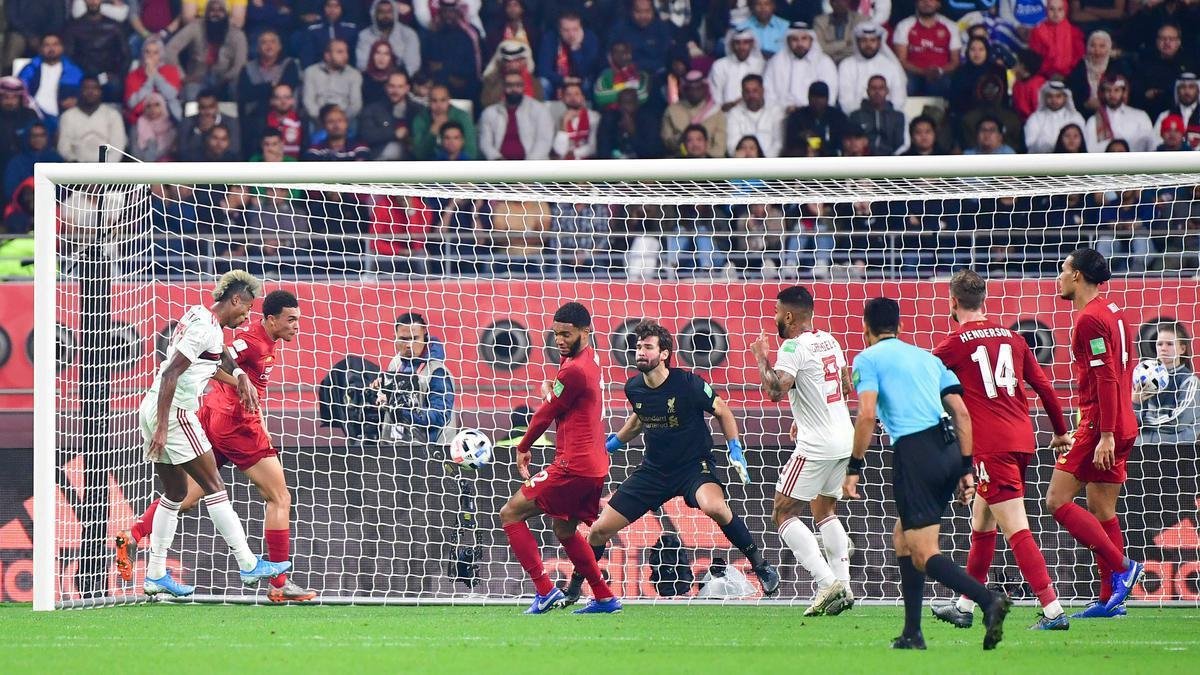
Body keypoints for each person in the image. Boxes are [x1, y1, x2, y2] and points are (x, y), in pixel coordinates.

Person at [118, 290, 316, 602]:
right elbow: (213, 359)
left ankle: (133, 535)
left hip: (212, 417)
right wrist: (238, 382)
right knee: (278, 496)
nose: (296, 326)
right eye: (291, 320)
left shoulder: (247, 336)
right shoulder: (252, 340)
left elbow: (218, 357)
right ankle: (276, 583)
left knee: (185, 494)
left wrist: (240, 382)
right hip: (235, 425)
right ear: (272, 319)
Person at [563, 321, 780, 604]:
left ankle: (760, 565)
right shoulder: (634, 388)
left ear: (664, 353)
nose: (640, 351)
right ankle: (575, 587)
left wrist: (734, 448)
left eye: (648, 347)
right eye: (638, 346)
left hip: (693, 467)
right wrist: (611, 446)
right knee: (600, 530)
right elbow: (639, 419)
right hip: (654, 472)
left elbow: (723, 411)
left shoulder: (688, 383)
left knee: (714, 506)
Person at [847, 296, 1011, 650]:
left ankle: (987, 601)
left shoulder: (866, 359)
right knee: (903, 538)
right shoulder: (928, 358)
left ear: (865, 329)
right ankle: (912, 633)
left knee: (923, 552)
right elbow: (962, 413)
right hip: (950, 448)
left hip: (915, 452)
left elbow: (865, 415)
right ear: (900, 328)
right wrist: (965, 468)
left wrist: (854, 466)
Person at [928, 270, 1072, 631]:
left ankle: (1053, 610)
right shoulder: (1014, 338)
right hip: (1022, 440)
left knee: (1015, 527)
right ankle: (964, 606)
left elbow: (922, 380)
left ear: (953, 302)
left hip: (992, 447)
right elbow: (1045, 387)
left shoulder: (954, 343)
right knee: (982, 521)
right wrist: (1059, 431)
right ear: (984, 301)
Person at [499, 302, 620, 614]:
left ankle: (544, 590)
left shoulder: (573, 369)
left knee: (510, 513)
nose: (560, 340)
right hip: (594, 465)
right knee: (564, 530)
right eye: (555, 335)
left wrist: (523, 446)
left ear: (585, 331)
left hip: (573, 465)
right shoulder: (589, 360)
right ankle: (604, 596)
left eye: (566, 334)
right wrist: (552, 393)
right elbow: (565, 402)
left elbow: (545, 415)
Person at [1045, 248, 1145, 619]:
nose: (1058, 276)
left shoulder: (1088, 320)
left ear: (1077, 276)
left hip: (1100, 425)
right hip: (1122, 421)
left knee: (1056, 500)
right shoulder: (1114, 312)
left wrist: (1103, 434)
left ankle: (1122, 566)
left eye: (1062, 268)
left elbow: (1105, 376)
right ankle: (1109, 601)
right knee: (1102, 509)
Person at [749, 287, 853, 615]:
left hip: (818, 444)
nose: (776, 318)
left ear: (790, 316)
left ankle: (826, 584)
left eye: (778, 312)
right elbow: (846, 386)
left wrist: (761, 358)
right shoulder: (830, 340)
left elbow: (775, 391)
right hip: (844, 438)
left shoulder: (792, 346)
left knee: (782, 511)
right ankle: (845, 587)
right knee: (824, 510)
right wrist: (803, 416)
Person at [165, 0, 248, 101]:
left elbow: (240, 65)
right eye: (212, 10)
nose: (216, 13)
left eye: (220, 10)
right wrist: (182, 76)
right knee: (190, 92)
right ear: (205, 14)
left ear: (227, 14)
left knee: (238, 88)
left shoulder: (236, 34)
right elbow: (170, 49)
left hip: (225, 79)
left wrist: (226, 78)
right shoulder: (195, 27)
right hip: (197, 78)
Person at [1135, 322, 1199, 445]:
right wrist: (1135, 403)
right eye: (1159, 344)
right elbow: (1131, 422)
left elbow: (1178, 422)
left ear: (1182, 349)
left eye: (1169, 344)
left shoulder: (1190, 381)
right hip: (1143, 447)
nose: (1163, 348)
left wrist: (1144, 423)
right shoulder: (1144, 376)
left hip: (1177, 450)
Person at [764, 21, 838, 111]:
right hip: (780, 114)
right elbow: (768, 93)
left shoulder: (824, 63)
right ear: (788, 41)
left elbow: (830, 96)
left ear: (811, 40)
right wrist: (783, 109)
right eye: (794, 39)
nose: (799, 44)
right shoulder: (775, 62)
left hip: (813, 115)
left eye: (804, 39)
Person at [478, 72, 553, 160]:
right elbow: (485, 143)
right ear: (503, 87)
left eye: (518, 85)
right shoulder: (490, 112)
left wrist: (527, 166)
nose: (514, 89)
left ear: (523, 87)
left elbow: (544, 141)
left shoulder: (540, 110)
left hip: (532, 166)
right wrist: (497, 159)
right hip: (499, 166)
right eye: (509, 85)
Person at [892, 0, 959, 98]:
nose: (927, 2)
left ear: (938, 4)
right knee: (907, 85)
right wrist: (923, 72)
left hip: (941, 73)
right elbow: (901, 60)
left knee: (941, 85)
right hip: (912, 73)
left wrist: (940, 71)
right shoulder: (904, 25)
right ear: (916, 3)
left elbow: (955, 61)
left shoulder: (951, 26)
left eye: (931, 0)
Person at [836, 23, 905, 115]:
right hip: (856, 119)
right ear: (857, 42)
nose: (868, 45)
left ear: (879, 42)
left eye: (873, 40)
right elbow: (845, 101)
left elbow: (898, 99)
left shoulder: (891, 66)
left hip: (887, 118)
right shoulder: (846, 65)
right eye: (864, 40)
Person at [18, 33, 84, 126]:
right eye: (47, 45)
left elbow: (83, 93)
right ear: (40, 49)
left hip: (63, 118)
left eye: (55, 44)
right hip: (32, 117)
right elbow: (20, 90)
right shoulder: (30, 69)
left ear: (62, 48)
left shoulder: (74, 71)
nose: (51, 48)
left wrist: (77, 100)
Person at [359, 70, 427, 160]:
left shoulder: (419, 109)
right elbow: (366, 135)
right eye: (392, 86)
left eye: (400, 87)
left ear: (407, 88)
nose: (395, 91)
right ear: (386, 87)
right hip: (381, 158)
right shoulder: (373, 109)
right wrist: (394, 134)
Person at [57, 77, 127, 163]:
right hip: (77, 170)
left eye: (94, 88)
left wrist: (104, 166)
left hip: (107, 170)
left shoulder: (112, 115)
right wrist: (75, 162)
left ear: (100, 91)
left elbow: (118, 146)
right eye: (86, 88)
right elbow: (63, 147)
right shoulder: (67, 116)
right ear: (79, 91)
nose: (91, 92)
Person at [661, 70, 726, 158]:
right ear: (684, 90)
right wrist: (682, 139)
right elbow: (667, 141)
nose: (694, 92)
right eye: (690, 89)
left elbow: (720, 147)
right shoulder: (672, 111)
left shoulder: (715, 111)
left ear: (704, 88)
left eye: (698, 88)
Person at [1084, 74, 1154, 152]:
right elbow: (1091, 149)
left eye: (1116, 90)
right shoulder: (1094, 121)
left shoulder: (1140, 116)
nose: (1112, 95)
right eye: (1108, 90)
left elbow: (1150, 145)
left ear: (1124, 92)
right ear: (1103, 93)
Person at [302, 38, 363, 123]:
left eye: (346, 52)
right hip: (318, 120)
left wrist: (340, 120)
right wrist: (324, 120)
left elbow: (356, 105)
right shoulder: (311, 72)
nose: (345, 56)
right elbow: (308, 102)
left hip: (345, 121)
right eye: (340, 52)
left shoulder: (354, 74)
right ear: (327, 56)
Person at [411, 84, 477, 160]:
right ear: (428, 102)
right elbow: (419, 155)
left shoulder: (463, 117)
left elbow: (471, 152)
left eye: (443, 100)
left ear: (449, 100)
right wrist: (432, 132)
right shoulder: (420, 119)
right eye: (434, 101)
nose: (439, 105)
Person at [726, 74, 785, 157]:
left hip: (771, 163)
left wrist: (763, 160)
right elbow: (732, 145)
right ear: (742, 93)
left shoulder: (776, 111)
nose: (751, 95)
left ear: (762, 91)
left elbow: (779, 143)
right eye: (747, 91)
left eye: (755, 91)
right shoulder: (734, 113)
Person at [356, 0, 421, 75]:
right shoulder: (364, 35)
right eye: (381, 12)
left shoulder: (409, 34)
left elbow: (412, 66)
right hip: (372, 79)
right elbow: (362, 65)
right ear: (374, 14)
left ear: (395, 13)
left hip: (400, 81)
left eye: (389, 11)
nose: (385, 15)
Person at [848, 75, 904, 156]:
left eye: (881, 88)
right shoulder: (855, 116)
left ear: (887, 91)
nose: (877, 92)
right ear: (867, 91)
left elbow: (899, 143)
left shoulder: (898, 116)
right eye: (873, 88)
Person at [710, 29, 765, 111]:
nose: (741, 47)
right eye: (737, 43)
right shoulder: (720, 65)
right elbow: (715, 97)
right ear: (732, 45)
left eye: (746, 42)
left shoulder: (761, 65)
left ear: (752, 44)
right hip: (726, 114)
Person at [1025, 81, 1086, 154]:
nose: (1054, 100)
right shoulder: (1035, 118)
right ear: (1045, 97)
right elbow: (1030, 144)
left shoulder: (1076, 117)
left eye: (1058, 96)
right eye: (1050, 96)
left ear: (1065, 97)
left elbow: (1082, 142)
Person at [303, 103, 370, 160]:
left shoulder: (359, 148)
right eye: (331, 122)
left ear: (346, 123)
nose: (336, 125)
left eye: (340, 121)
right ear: (324, 126)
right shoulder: (315, 150)